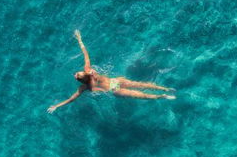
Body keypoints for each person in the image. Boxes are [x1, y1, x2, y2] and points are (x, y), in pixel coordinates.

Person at [47, 30, 175, 113]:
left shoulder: (83, 87)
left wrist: (56, 106)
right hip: (116, 81)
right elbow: (86, 54)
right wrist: (80, 39)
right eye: (77, 74)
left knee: (140, 95)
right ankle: (165, 89)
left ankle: (162, 96)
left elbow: (71, 99)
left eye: (76, 75)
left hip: (115, 90)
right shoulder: (89, 70)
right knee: (141, 85)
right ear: (83, 74)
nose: (76, 73)